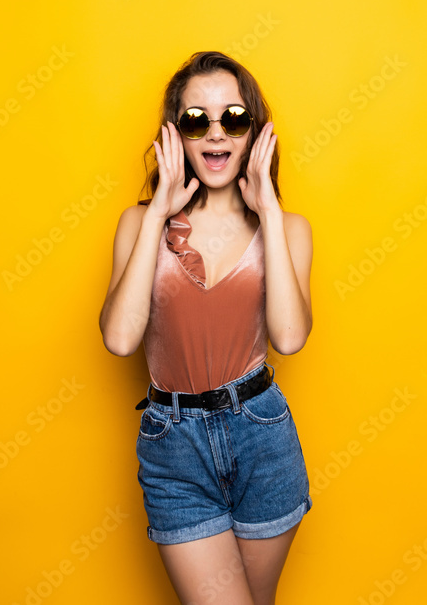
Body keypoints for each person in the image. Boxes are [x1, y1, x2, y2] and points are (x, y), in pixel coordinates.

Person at [98, 50, 313, 604]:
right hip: (174, 447)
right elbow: (120, 339)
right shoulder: (137, 222)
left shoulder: (288, 229)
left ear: (255, 132)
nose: (216, 133)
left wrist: (266, 208)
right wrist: (156, 214)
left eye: (233, 118)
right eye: (197, 120)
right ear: (176, 136)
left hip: (262, 437)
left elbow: (288, 338)